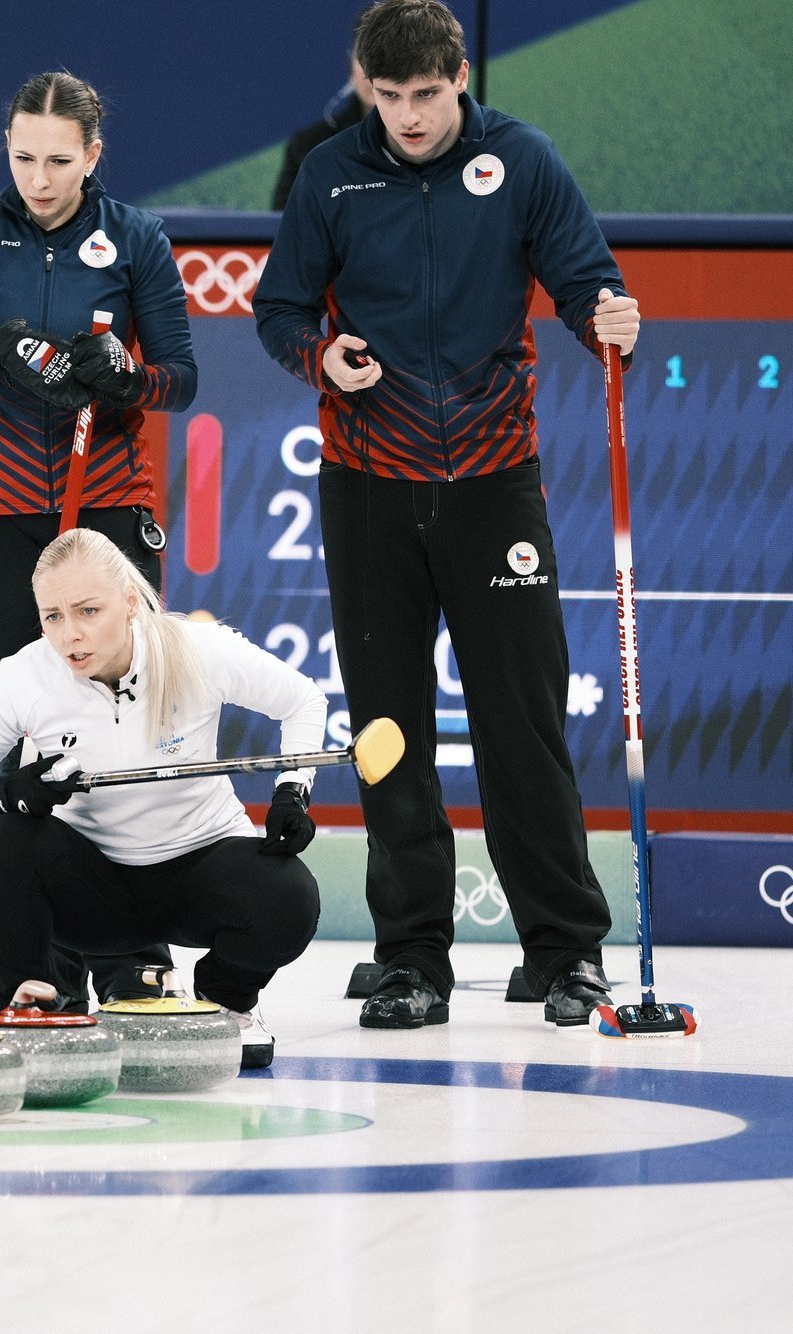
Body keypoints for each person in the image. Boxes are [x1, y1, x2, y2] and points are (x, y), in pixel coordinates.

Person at [253, 0, 640, 1030]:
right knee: (388, 729)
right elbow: (278, 309)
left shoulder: (521, 160)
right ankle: (408, 960)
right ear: (362, 84)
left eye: (425, 94)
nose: (409, 117)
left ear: (458, 74)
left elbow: (584, 284)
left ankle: (564, 953)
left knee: (521, 725)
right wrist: (318, 358)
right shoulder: (332, 171)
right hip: (366, 486)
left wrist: (609, 317)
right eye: (388, 97)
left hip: (491, 482)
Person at [0, 70, 198, 1011]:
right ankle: (47, 967)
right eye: (23, 157)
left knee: (127, 721)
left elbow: (181, 379)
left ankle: (135, 955)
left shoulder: (134, 238)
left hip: (106, 505)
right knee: (38, 719)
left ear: (94, 156)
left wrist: (127, 376)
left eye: (60, 160)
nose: (39, 177)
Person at [0, 529, 326, 1069]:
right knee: (9, 842)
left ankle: (224, 1003)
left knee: (289, 893)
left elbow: (303, 701)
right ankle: (23, 1002)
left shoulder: (198, 649)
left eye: (89, 610)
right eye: (53, 616)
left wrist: (292, 793)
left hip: (198, 868)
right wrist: (5, 792)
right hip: (93, 891)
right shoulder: (26, 675)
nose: (70, 635)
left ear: (131, 602)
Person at [270, 54, 376, 210]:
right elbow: (283, 222)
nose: (373, 73)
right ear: (351, 68)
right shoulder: (311, 144)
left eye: (387, 58)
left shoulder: (420, 145)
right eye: (365, 59)